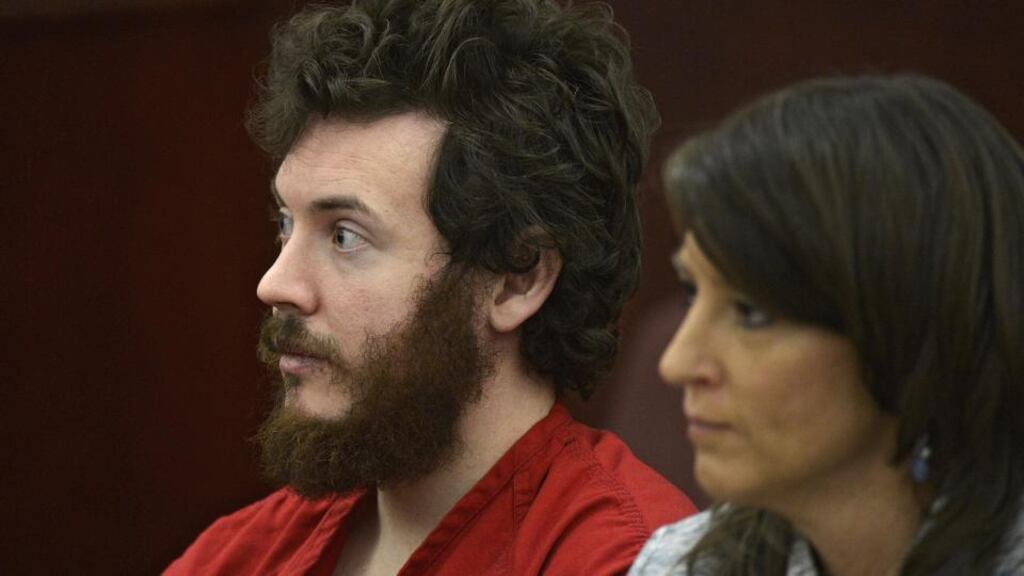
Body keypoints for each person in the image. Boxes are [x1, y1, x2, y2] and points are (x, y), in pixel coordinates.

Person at [166, 0, 698, 574]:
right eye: (285, 224)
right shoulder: (241, 554)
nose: (275, 284)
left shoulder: (624, 559)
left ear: (517, 279)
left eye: (345, 236)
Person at [628, 74, 1024, 575]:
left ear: (908, 330)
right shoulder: (683, 565)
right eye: (691, 292)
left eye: (752, 312)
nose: (676, 363)